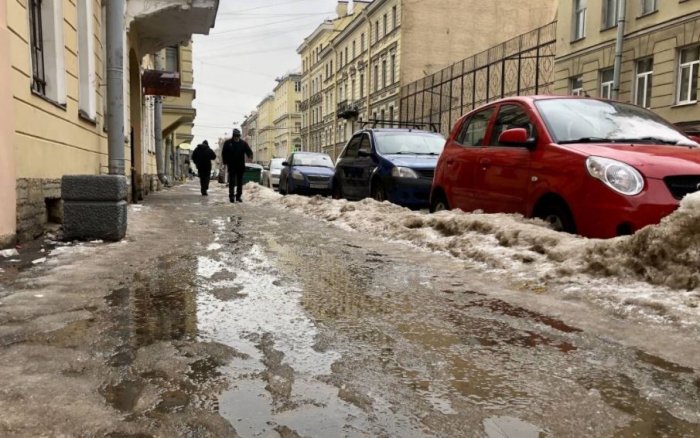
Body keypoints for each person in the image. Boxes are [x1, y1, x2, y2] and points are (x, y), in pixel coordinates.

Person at [221, 129, 253, 203]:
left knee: (239, 182)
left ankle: (238, 196)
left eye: (238, 136)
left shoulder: (243, 143)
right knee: (232, 181)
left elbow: (248, 150)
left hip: (240, 165)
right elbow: (224, 153)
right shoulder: (228, 143)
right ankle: (231, 196)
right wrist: (225, 162)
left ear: (239, 136)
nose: (236, 138)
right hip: (231, 165)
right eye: (235, 136)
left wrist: (250, 156)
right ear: (233, 136)